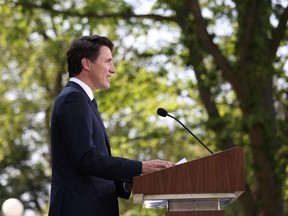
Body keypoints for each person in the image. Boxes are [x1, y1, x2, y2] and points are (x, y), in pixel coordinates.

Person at [48, 35, 175, 216]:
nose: (113, 70)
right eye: (108, 61)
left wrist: (129, 180)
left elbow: (91, 167)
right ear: (86, 63)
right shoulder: (73, 99)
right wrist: (140, 167)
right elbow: (85, 158)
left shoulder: (85, 100)